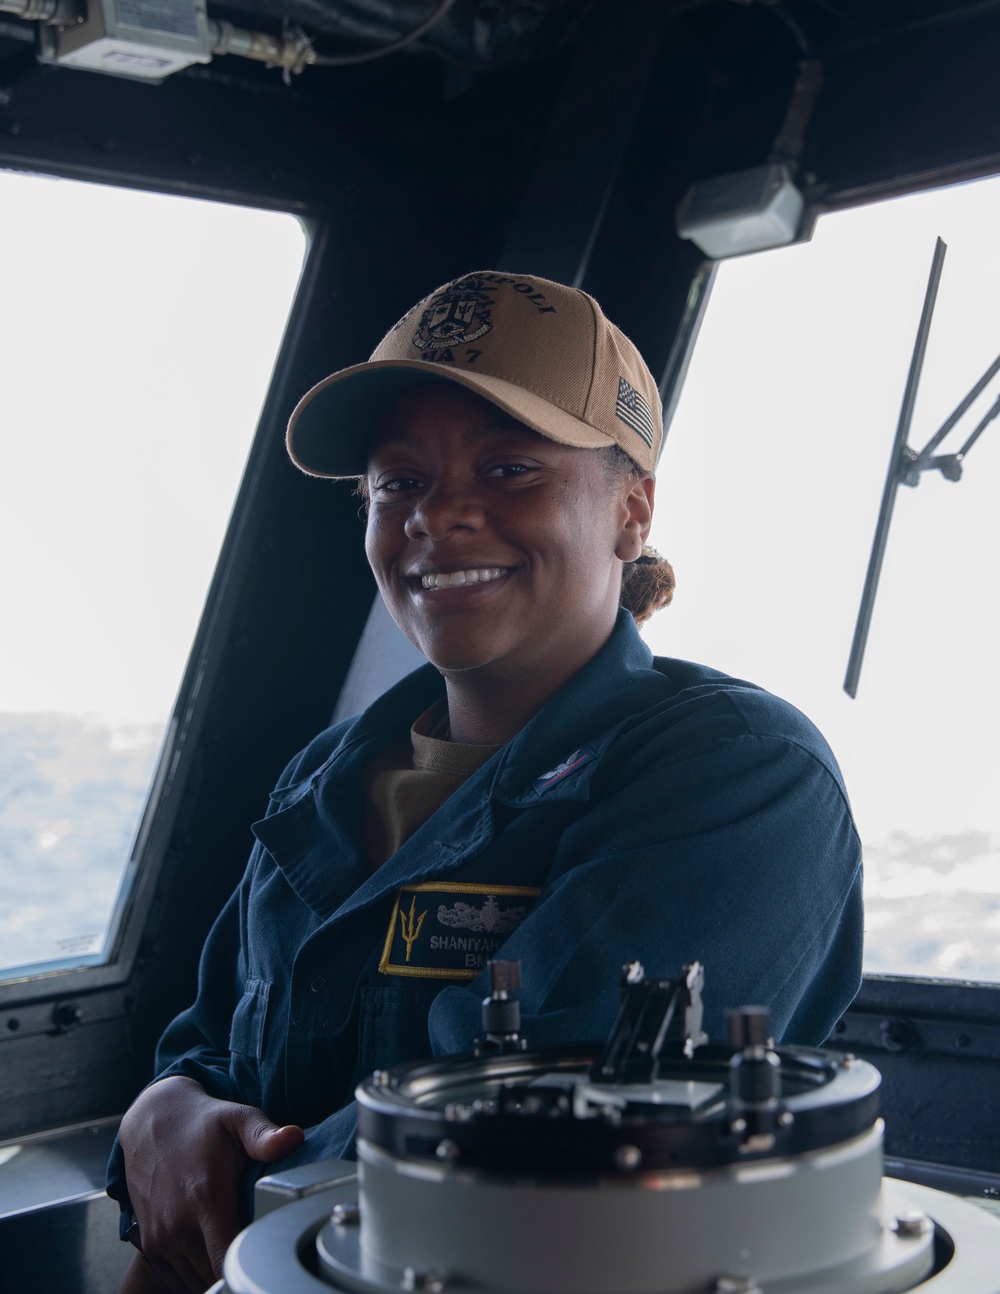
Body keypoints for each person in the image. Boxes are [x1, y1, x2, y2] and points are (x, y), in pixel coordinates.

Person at [109, 271, 863, 1294]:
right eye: (398, 482)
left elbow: (528, 1128)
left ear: (631, 512)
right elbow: (207, 1051)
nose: (440, 516)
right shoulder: (323, 781)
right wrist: (161, 1108)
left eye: (509, 469)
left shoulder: (735, 772)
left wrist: (222, 1188)